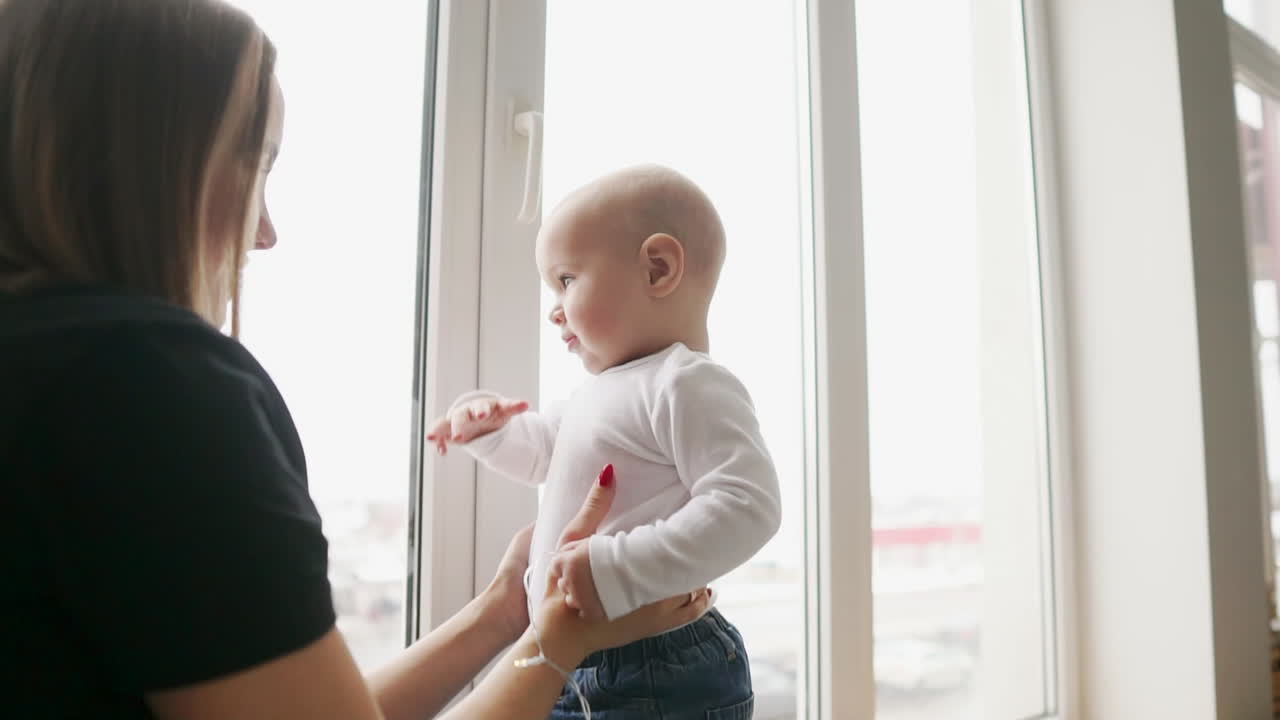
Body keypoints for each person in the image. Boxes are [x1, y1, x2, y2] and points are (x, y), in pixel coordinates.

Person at [0, 1, 709, 719]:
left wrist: (503, 614)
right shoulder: (147, 384)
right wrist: (559, 643)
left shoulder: (46, 368)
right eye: (254, 165)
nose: (266, 232)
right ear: (140, 163)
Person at [427, 164, 781, 718]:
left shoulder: (687, 382)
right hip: (580, 651)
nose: (554, 307)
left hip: (656, 658)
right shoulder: (599, 391)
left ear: (658, 270)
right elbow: (542, 451)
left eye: (566, 280)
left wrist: (617, 569)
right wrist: (490, 431)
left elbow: (749, 506)